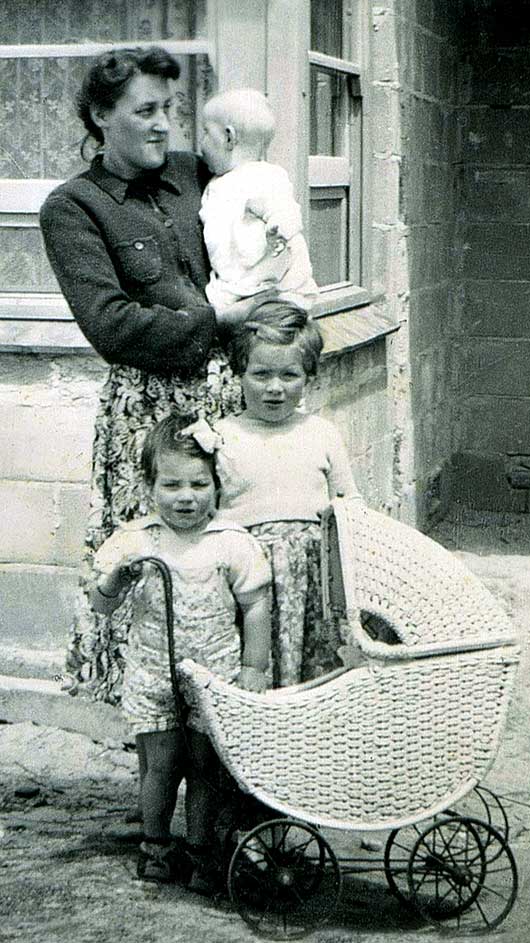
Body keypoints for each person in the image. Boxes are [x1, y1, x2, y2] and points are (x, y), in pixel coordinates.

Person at [39, 48, 266, 707]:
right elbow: (111, 324)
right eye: (146, 110)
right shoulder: (73, 207)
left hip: (231, 409)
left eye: (170, 108)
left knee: (233, 574)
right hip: (150, 420)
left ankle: (232, 771)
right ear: (102, 116)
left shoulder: (200, 176)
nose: (165, 124)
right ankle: (160, 766)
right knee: (155, 586)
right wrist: (221, 320)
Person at [89, 412, 272, 887]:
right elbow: (101, 605)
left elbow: (255, 605)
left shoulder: (232, 542)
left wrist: (254, 666)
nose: (186, 497)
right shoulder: (138, 540)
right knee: (162, 764)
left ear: (217, 485)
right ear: (149, 485)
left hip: (213, 676)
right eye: (172, 485)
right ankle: (155, 845)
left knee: (206, 768)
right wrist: (116, 580)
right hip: (154, 676)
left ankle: (201, 849)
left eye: (199, 484)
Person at [214, 301, 360, 687]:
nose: (275, 388)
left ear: (309, 377)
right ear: (239, 374)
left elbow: (350, 507)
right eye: (261, 374)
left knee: (314, 675)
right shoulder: (221, 436)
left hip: (312, 582)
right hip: (247, 584)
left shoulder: (321, 433)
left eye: (289, 375)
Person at [199, 87, 319, 314]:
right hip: (236, 287)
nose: (201, 143)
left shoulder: (262, 177)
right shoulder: (217, 183)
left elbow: (284, 208)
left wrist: (279, 226)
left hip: (274, 287)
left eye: (205, 132)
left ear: (228, 137)